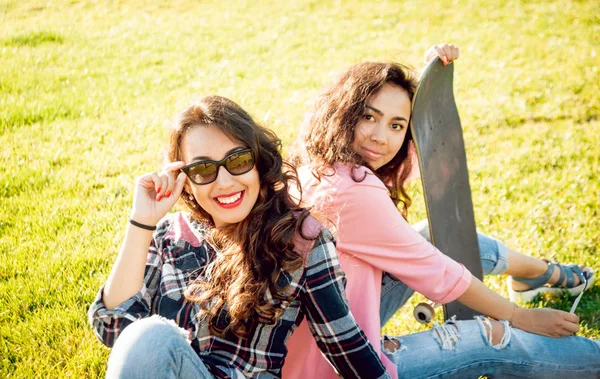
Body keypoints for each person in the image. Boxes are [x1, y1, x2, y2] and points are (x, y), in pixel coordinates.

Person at [282, 45, 599, 379]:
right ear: (344, 113)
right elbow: (437, 272)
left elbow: (426, 158)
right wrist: (517, 316)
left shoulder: (321, 167)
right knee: (489, 338)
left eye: (396, 125)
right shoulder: (352, 191)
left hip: (318, 334)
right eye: (369, 117)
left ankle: (536, 274)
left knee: (435, 237)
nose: (379, 137)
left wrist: (426, 84)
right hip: (335, 365)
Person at [88, 96, 392, 378]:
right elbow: (113, 327)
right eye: (203, 169)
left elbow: (344, 345)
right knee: (147, 337)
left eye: (237, 161)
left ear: (259, 162)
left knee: (150, 336)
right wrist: (142, 222)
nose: (224, 181)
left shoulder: (301, 238)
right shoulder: (170, 235)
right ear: (187, 182)